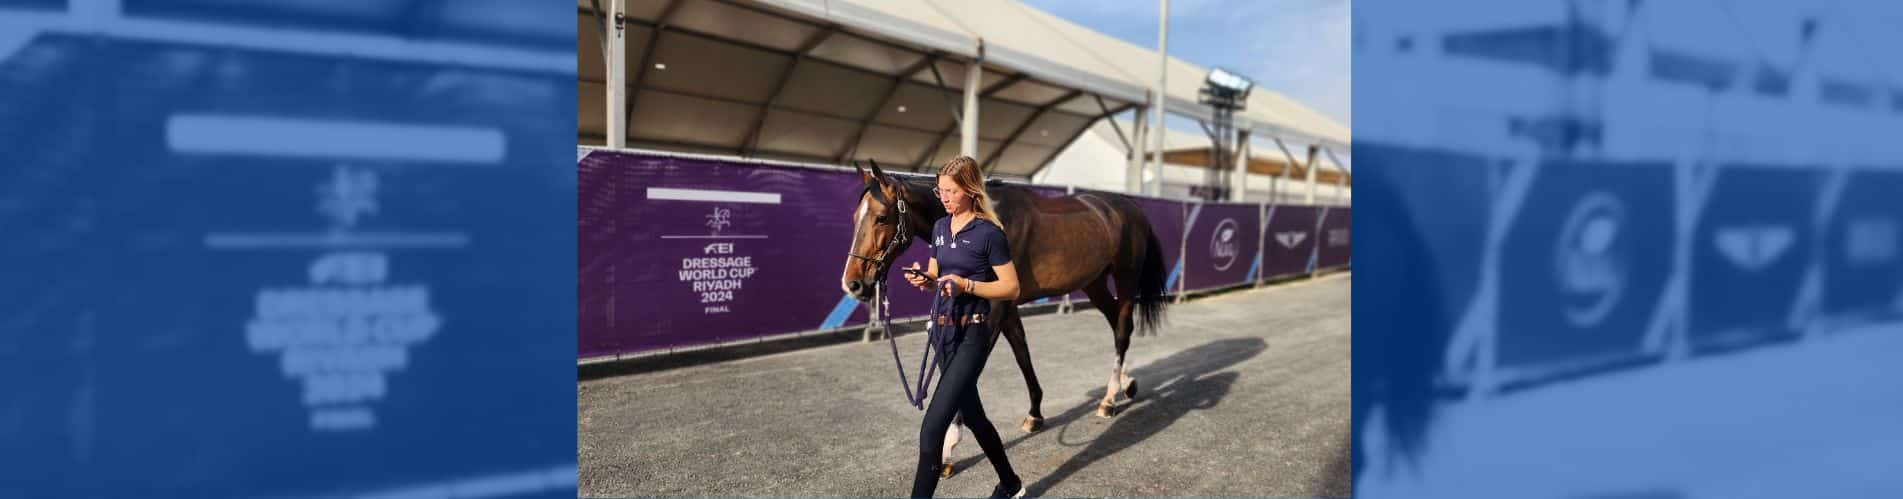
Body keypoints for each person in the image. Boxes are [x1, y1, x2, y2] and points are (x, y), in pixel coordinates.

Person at [900, 156, 1026, 498]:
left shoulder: (989, 233)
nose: (944, 198)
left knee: (931, 432)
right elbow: (937, 275)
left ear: (971, 191)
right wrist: (925, 279)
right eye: (940, 191)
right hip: (942, 335)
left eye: (951, 191)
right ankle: (1011, 484)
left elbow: (1011, 288)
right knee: (974, 416)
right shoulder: (941, 227)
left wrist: (966, 285)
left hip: (972, 335)